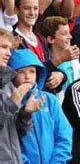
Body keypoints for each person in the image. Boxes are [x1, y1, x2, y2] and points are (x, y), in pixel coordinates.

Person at [8, 49, 72, 163]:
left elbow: (64, 135)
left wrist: (58, 161)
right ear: (12, 75)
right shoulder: (9, 102)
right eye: (21, 72)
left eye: (32, 71)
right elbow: (9, 140)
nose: (27, 76)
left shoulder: (50, 100)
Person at [0, 29, 42, 164]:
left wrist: (26, 114)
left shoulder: (7, 84)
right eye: (3, 47)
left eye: (9, 48)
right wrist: (12, 102)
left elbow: (18, 132)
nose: (8, 53)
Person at [14, 0, 66, 93]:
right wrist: (57, 61)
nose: (32, 13)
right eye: (27, 8)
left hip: (46, 101)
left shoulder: (41, 39)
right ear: (16, 10)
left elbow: (50, 69)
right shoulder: (14, 40)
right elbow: (31, 75)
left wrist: (61, 75)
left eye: (35, 8)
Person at [41, 16, 80, 101]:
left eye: (69, 33)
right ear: (51, 39)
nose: (70, 37)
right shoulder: (45, 59)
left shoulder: (75, 60)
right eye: (64, 33)